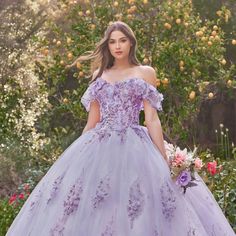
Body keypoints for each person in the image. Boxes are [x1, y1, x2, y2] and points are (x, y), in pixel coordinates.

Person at [6, 21, 235, 236]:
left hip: (135, 144)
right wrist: (77, 158)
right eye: (112, 41)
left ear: (131, 43)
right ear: (107, 45)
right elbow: (92, 121)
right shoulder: (99, 75)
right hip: (99, 143)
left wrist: (164, 159)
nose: (117, 46)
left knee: (139, 202)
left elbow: (152, 119)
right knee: (98, 203)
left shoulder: (145, 72)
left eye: (122, 40)